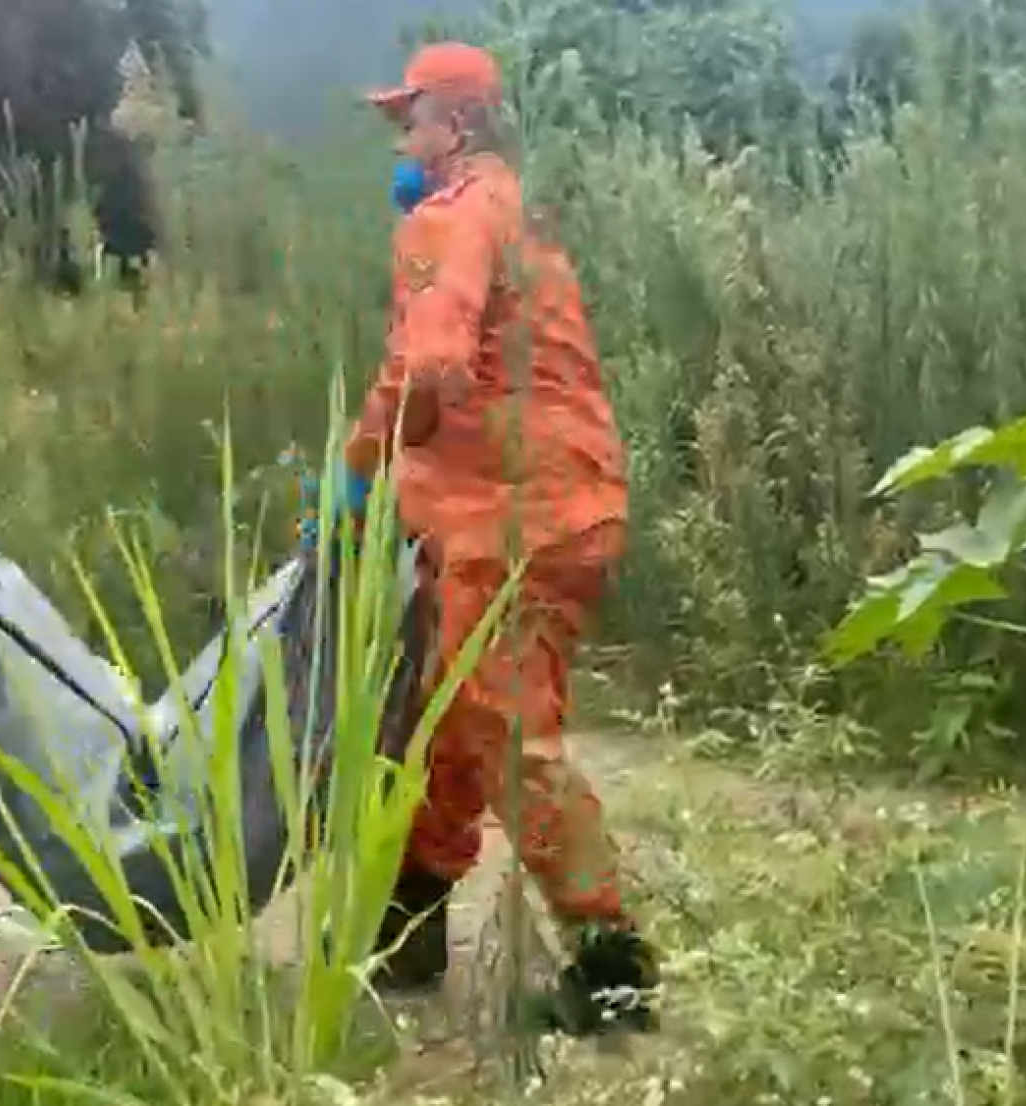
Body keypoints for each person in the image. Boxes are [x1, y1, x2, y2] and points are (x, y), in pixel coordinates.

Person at [331, 41, 660, 1036]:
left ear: (457, 128)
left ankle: (613, 966)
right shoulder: (514, 215)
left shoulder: (448, 215)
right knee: (444, 718)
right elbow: (442, 361)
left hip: (516, 516)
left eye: (411, 123)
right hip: (550, 502)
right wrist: (372, 467)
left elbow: (427, 369)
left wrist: (368, 466)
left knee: (508, 732)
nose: (403, 142)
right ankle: (410, 924)